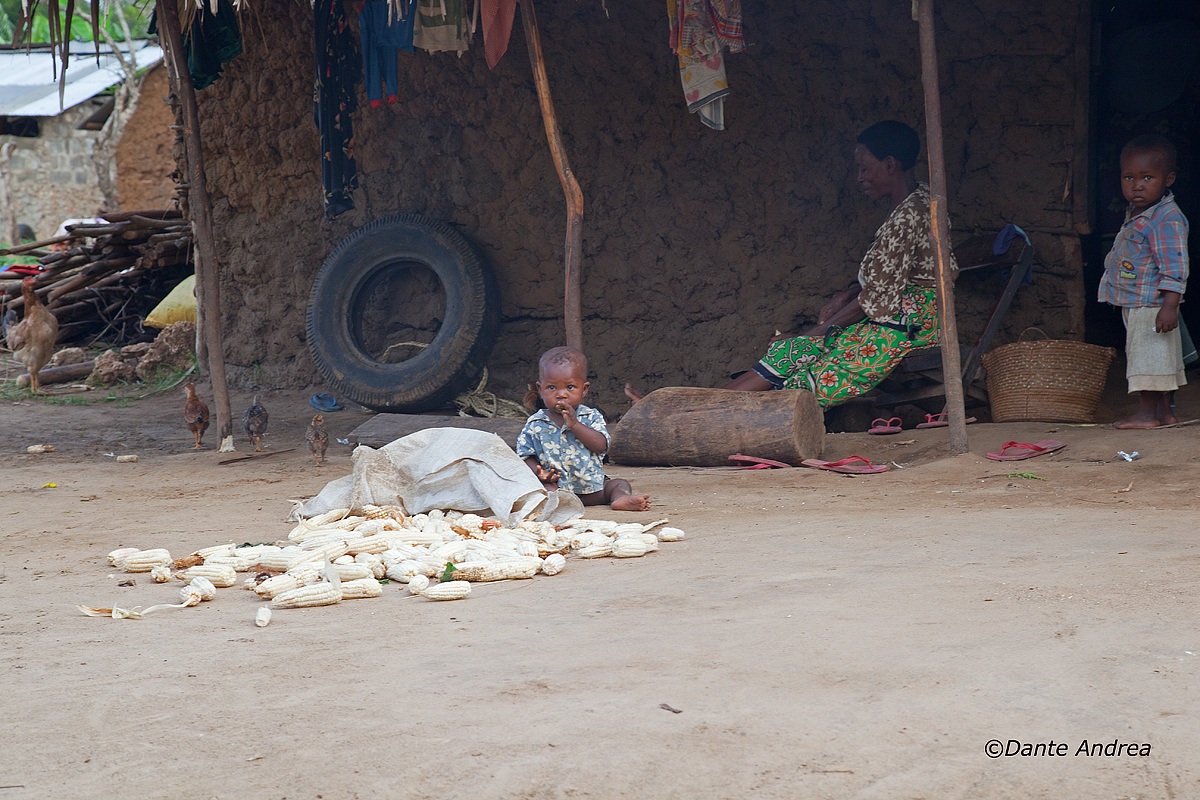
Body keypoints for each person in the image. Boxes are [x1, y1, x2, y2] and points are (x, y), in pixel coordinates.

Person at [627, 120, 953, 408]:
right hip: (895, 321)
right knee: (790, 353)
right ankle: (684, 409)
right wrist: (844, 295)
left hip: (908, 330)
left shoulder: (909, 216)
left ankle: (688, 413)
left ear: (890, 165)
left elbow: (875, 301)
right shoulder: (917, 202)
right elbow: (890, 279)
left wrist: (813, 334)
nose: (859, 178)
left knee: (802, 374)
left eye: (864, 168)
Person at [1098, 134, 1189, 429]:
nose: (1137, 185)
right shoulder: (1143, 214)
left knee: (1147, 360)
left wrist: (1170, 306)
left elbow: (1175, 267)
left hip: (1151, 304)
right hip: (1140, 302)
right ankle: (1164, 414)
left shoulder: (1166, 220)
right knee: (1157, 360)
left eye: (1147, 177)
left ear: (1169, 178)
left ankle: (1147, 414)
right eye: (1129, 177)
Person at [518, 346, 651, 512]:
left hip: (593, 489)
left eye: (570, 387)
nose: (561, 394)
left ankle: (620, 498)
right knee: (541, 491)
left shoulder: (590, 417)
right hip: (556, 488)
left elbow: (601, 445)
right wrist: (539, 473)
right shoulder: (535, 423)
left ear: (584, 389)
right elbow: (524, 456)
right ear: (540, 389)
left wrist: (575, 425)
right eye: (552, 388)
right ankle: (556, 506)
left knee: (619, 484)